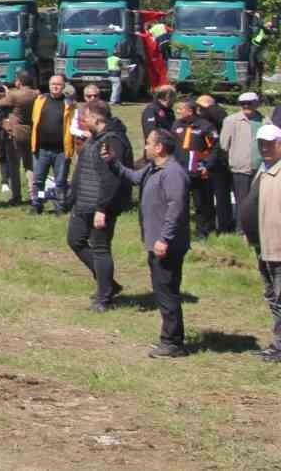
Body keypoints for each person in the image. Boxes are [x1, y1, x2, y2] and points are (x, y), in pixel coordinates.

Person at [103, 128, 192, 358]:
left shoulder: (172, 173)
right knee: (162, 290)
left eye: (149, 143)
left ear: (159, 147)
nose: (145, 147)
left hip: (167, 245)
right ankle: (170, 338)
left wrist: (165, 238)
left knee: (167, 291)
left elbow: (176, 208)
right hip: (156, 242)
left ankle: (173, 343)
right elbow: (133, 177)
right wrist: (113, 162)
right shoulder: (153, 169)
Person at [67, 99, 132, 311]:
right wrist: (71, 196)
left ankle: (104, 298)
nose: (82, 121)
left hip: (100, 206)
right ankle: (109, 284)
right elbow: (82, 170)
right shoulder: (95, 139)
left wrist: (102, 209)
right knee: (75, 240)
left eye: (84, 117)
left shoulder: (113, 141)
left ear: (96, 117)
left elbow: (112, 179)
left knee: (101, 248)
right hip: (83, 203)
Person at [237, 123, 281, 362]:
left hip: (277, 247)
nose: (264, 148)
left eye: (269, 143)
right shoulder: (264, 168)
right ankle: (277, 345)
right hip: (262, 246)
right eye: (261, 144)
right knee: (272, 297)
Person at [170, 99, 218, 239]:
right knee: (180, 203)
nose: (178, 111)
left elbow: (215, 148)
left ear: (190, 111)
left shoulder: (205, 126)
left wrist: (207, 165)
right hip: (180, 171)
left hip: (198, 171)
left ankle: (202, 232)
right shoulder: (176, 125)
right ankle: (181, 232)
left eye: (180, 109)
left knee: (201, 203)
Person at [29, 73, 75, 215]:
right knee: (38, 180)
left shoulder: (69, 104)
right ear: (49, 86)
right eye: (52, 84)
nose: (55, 87)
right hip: (41, 149)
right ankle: (38, 204)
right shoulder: (40, 100)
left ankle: (59, 206)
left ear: (63, 86)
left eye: (58, 84)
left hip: (61, 150)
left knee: (60, 181)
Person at [0, 69, 38, 204]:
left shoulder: (15, 95)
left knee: (14, 165)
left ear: (20, 81)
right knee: (29, 165)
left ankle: (16, 195)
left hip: (14, 132)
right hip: (30, 131)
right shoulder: (35, 94)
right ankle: (33, 194)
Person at [222, 92, 268, 209]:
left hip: (261, 168)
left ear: (257, 104)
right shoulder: (231, 120)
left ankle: (256, 226)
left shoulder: (265, 121)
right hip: (240, 168)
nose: (246, 106)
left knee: (258, 200)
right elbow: (224, 145)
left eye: (249, 103)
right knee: (242, 201)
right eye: (243, 104)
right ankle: (241, 226)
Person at [197, 94, 235, 233]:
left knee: (219, 195)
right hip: (211, 158)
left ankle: (222, 226)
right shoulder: (216, 115)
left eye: (200, 106)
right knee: (213, 195)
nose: (198, 110)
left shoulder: (214, 114)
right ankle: (218, 225)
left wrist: (209, 107)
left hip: (216, 159)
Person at [140, 86, 177, 164]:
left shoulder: (169, 111)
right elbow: (150, 133)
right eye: (174, 97)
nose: (175, 100)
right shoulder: (151, 110)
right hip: (156, 153)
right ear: (167, 97)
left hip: (168, 151)